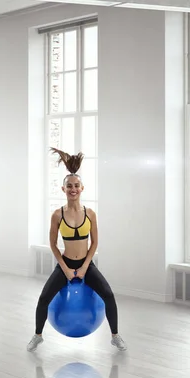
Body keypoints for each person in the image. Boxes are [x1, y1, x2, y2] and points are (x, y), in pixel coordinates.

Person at [27, 147, 127, 352]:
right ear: (63, 189)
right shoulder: (57, 215)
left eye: (76, 186)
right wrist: (64, 268)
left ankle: (115, 336)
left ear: (82, 188)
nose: (73, 189)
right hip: (65, 263)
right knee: (44, 298)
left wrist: (83, 269)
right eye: (69, 186)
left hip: (85, 265)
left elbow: (94, 243)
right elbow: (53, 245)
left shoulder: (90, 214)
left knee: (108, 295)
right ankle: (37, 336)